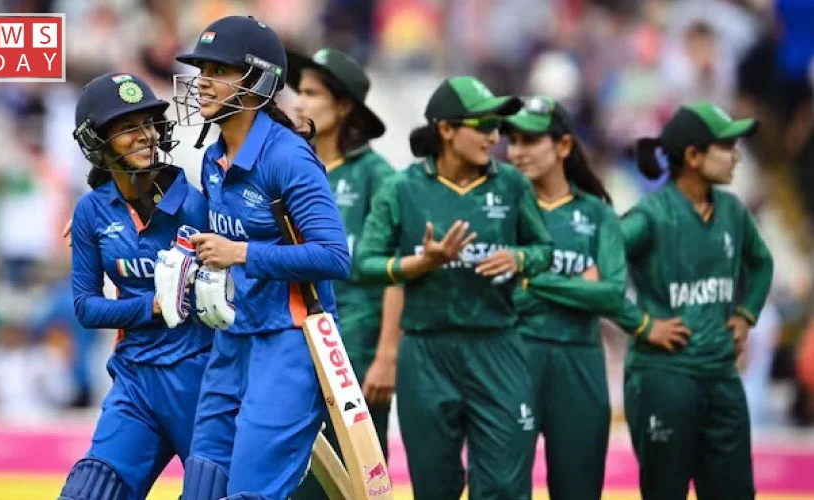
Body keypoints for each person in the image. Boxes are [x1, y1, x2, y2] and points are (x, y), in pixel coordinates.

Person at [170, 16, 351, 500]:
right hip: (232, 338)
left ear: (257, 82)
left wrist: (241, 253)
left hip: (288, 341)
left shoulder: (288, 157)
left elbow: (335, 256)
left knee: (251, 492)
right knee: (202, 485)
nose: (202, 82)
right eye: (201, 69)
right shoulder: (212, 158)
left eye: (218, 70)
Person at [354, 76, 552, 500]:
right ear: (446, 129)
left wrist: (518, 259)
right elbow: (364, 263)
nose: (494, 137)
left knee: (504, 484)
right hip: (426, 351)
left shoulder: (512, 184)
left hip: (497, 345)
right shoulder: (402, 188)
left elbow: (544, 250)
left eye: (497, 127)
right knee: (435, 484)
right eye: (483, 126)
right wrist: (421, 263)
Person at [58, 72, 212, 500]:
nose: (145, 135)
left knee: (214, 492)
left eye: (147, 123)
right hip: (136, 381)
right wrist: (153, 307)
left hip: (201, 378)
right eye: (127, 127)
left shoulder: (198, 204)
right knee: (88, 495)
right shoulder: (91, 211)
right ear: (99, 141)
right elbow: (87, 308)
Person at [615, 102, 774, 500]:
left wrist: (746, 314)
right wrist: (642, 324)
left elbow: (761, 263)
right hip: (664, 378)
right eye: (727, 146)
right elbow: (600, 267)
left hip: (722, 377)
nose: (737, 156)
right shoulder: (650, 216)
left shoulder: (733, 212)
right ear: (692, 156)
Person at [285, 48, 402, 500]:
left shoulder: (378, 176)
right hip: (294, 347)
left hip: (355, 351)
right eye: (300, 92)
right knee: (296, 480)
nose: (299, 103)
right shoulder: (289, 165)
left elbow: (395, 271)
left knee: (359, 481)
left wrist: (386, 357)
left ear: (345, 106)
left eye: (312, 93)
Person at [503, 96, 625, 499]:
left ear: (564, 145)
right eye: (512, 141)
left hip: (580, 362)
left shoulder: (597, 214)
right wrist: (578, 286)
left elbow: (611, 295)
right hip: (513, 358)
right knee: (503, 486)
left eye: (530, 140)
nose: (517, 152)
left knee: (579, 489)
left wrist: (532, 280)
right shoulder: (500, 209)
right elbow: (498, 296)